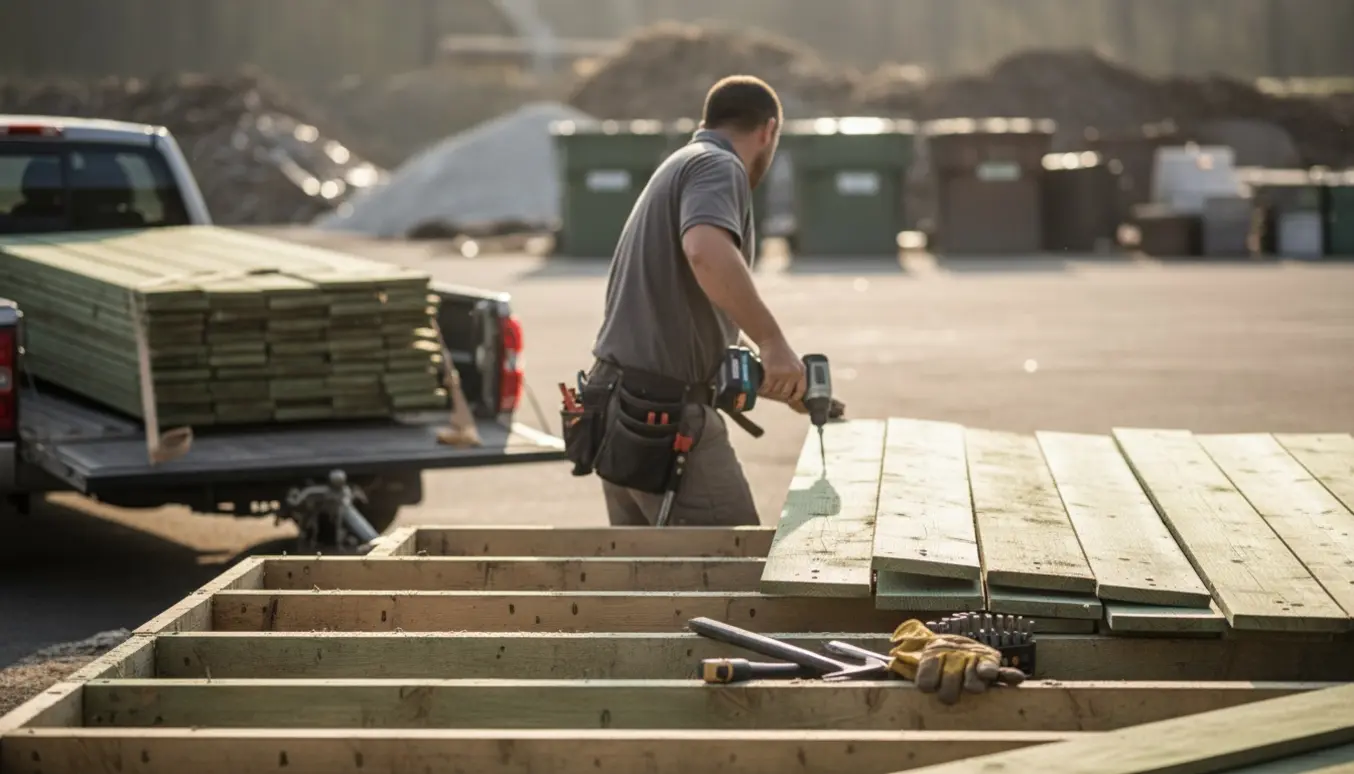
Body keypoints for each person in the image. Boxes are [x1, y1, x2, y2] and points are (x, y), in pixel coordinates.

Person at [570, 75, 807, 528]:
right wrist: (774, 342)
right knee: (733, 579)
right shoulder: (720, 166)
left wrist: (773, 377)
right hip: (663, 417)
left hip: (622, 407)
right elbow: (705, 251)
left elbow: (682, 317)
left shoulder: (681, 163)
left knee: (651, 587)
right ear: (768, 131)